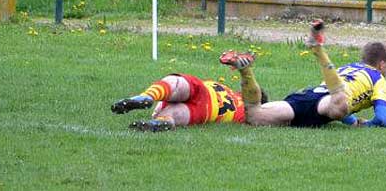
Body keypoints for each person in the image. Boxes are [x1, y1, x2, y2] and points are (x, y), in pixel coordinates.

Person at [219, 19, 386, 128]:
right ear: (382, 64)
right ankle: (317, 49)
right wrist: (367, 124)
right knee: (339, 104)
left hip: (309, 96)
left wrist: (353, 122)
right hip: (328, 101)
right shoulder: (378, 78)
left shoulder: (349, 67)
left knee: (254, 117)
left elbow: (343, 111)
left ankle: (245, 70)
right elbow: (384, 119)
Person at [111, 73, 268, 132]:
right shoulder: (245, 115)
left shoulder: (228, 91)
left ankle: (148, 96)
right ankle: (162, 121)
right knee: (175, 113)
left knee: (178, 84)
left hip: (204, 92)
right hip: (207, 112)